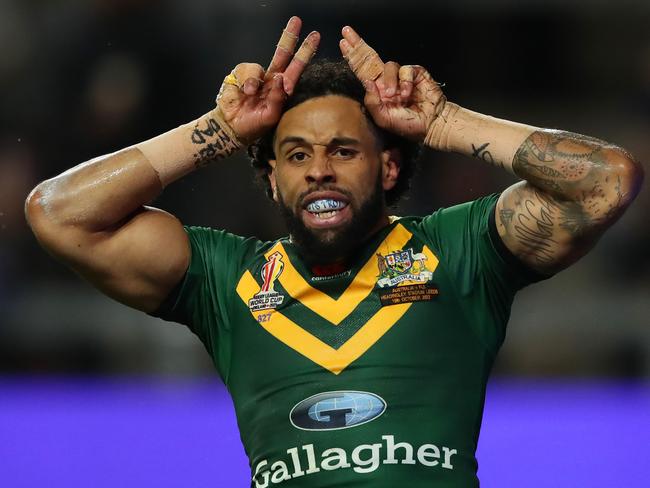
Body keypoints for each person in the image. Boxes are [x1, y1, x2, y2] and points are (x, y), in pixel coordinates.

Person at [25, 15, 643, 488]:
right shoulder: (227, 280)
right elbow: (57, 213)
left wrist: (448, 124)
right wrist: (221, 130)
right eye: (295, 155)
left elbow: (607, 179)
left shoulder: (459, 252)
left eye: (344, 151)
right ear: (271, 179)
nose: (318, 170)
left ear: (390, 166)